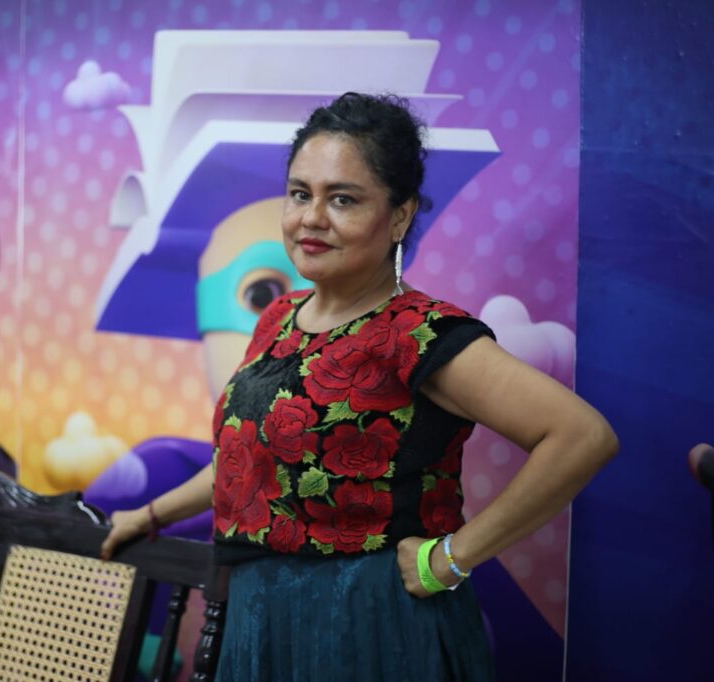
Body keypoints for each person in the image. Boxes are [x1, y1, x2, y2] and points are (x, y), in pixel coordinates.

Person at [100, 92, 618, 681]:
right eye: (301, 194)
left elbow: (582, 437)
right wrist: (149, 515)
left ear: (399, 216)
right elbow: (246, 463)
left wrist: (453, 559)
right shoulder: (279, 319)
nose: (311, 218)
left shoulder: (418, 333)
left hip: (371, 625)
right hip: (261, 619)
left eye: (342, 199)